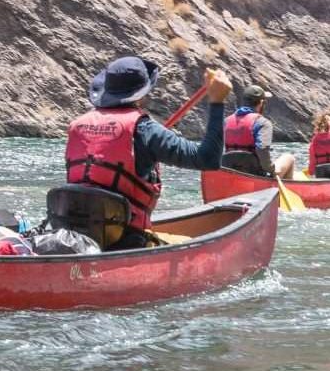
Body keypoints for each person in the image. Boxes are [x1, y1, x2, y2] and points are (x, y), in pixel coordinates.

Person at [64, 55, 229, 248]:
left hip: (73, 234)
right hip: (126, 241)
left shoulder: (76, 126)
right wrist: (217, 102)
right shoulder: (146, 130)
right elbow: (208, 159)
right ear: (142, 95)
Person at [223, 85, 294, 182]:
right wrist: (271, 169)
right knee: (289, 157)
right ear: (261, 103)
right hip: (255, 175)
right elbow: (262, 148)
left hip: (229, 170)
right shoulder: (263, 123)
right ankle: (285, 191)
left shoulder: (226, 121)